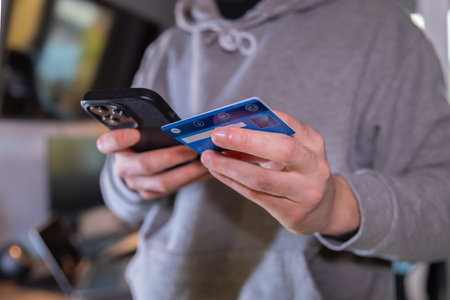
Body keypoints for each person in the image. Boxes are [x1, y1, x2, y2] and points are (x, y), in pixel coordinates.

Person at [96, 0, 450, 299]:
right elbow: (123, 203)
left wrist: (336, 207)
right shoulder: (167, 47)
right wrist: (127, 181)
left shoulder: (385, 31)